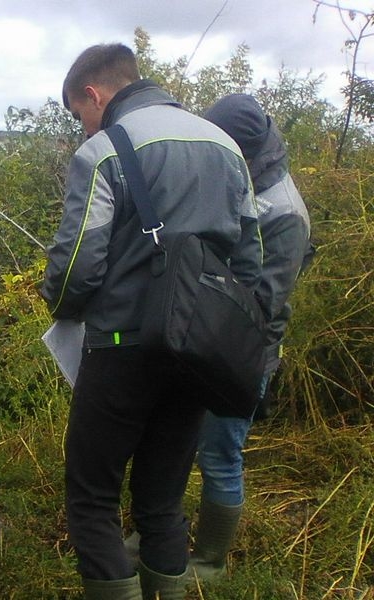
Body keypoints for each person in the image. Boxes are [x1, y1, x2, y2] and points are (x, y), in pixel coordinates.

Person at [41, 44, 261, 600]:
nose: (81, 125)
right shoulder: (227, 146)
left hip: (120, 349)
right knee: (162, 501)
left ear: (94, 95)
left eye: (77, 113)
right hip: (194, 354)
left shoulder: (104, 151)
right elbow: (250, 261)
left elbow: (77, 267)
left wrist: (60, 305)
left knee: (92, 496)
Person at [188, 93, 313, 581]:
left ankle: (211, 560)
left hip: (243, 354)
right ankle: (161, 533)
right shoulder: (236, 177)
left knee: (220, 452)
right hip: (199, 341)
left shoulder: (284, 212)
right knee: (175, 442)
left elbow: (263, 303)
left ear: (244, 148)